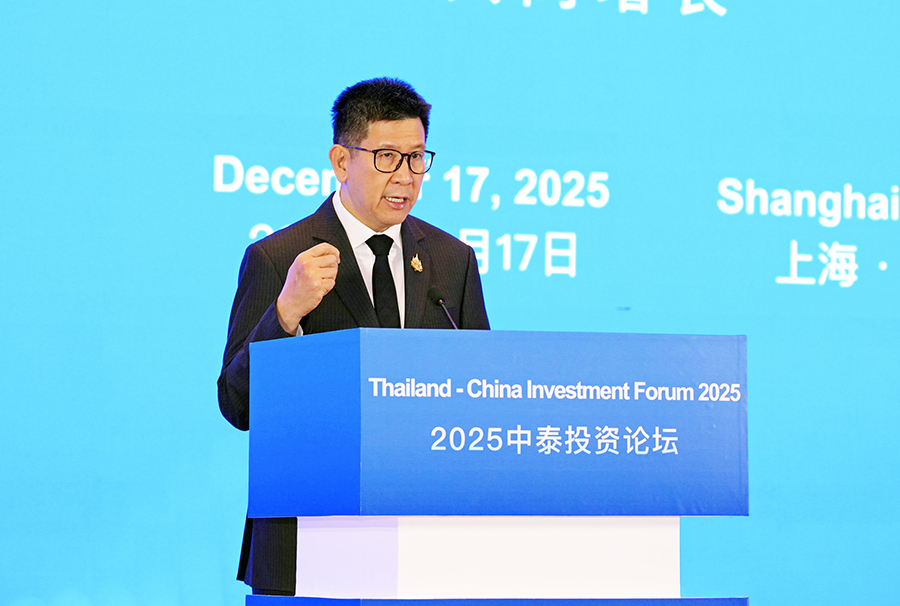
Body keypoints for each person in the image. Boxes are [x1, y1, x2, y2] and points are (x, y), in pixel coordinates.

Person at [217, 77, 490, 595]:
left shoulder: (451, 260)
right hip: (309, 538)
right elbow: (237, 405)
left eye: (416, 158)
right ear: (342, 161)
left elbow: (478, 394)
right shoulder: (279, 258)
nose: (406, 176)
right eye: (387, 157)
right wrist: (284, 313)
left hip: (423, 541)